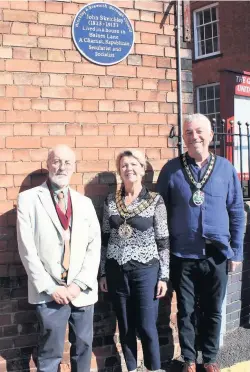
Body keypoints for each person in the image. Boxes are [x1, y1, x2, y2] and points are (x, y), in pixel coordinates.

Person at [156, 113, 245, 372]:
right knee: (186, 310)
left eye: (198, 131)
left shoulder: (226, 169)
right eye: (188, 133)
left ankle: (209, 357)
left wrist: (236, 252)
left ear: (210, 135)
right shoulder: (171, 170)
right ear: (183, 138)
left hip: (216, 254)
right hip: (182, 254)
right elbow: (159, 213)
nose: (194, 136)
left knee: (213, 309)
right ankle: (189, 358)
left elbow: (237, 211)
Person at [17, 144, 101, 372]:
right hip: (48, 291)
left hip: (81, 291)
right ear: (48, 164)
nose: (61, 167)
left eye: (67, 162)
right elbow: (27, 250)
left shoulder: (84, 203)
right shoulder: (28, 200)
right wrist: (50, 286)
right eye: (56, 161)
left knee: (83, 348)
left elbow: (95, 246)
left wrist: (78, 284)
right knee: (50, 352)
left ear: (74, 167)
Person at [99, 149, 170, 372]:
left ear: (142, 169)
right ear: (119, 171)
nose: (128, 169)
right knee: (126, 326)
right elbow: (104, 238)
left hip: (146, 271)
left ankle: (154, 368)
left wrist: (164, 276)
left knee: (147, 326)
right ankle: (131, 368)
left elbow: (164, 241)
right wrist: (102, 272)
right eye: (124, 165)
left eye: (133, 164)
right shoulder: (111, 201)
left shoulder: (155, 200)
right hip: (116, 270)